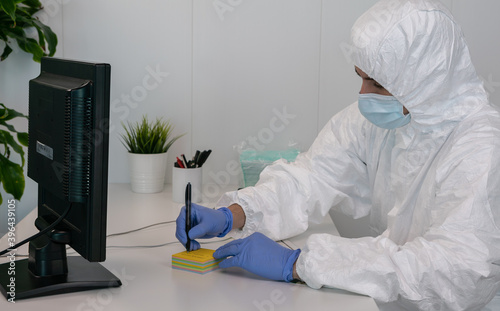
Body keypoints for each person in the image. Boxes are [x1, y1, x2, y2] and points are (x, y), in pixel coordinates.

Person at [176, 0, 500, 310]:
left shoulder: (481, 148)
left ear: (424, 81)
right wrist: (236, 213)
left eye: (376, 83)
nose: (363, 94)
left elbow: (460, 272)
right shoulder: (380, 123)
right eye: (360, 77)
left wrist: (301, 263)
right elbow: (312, 176)